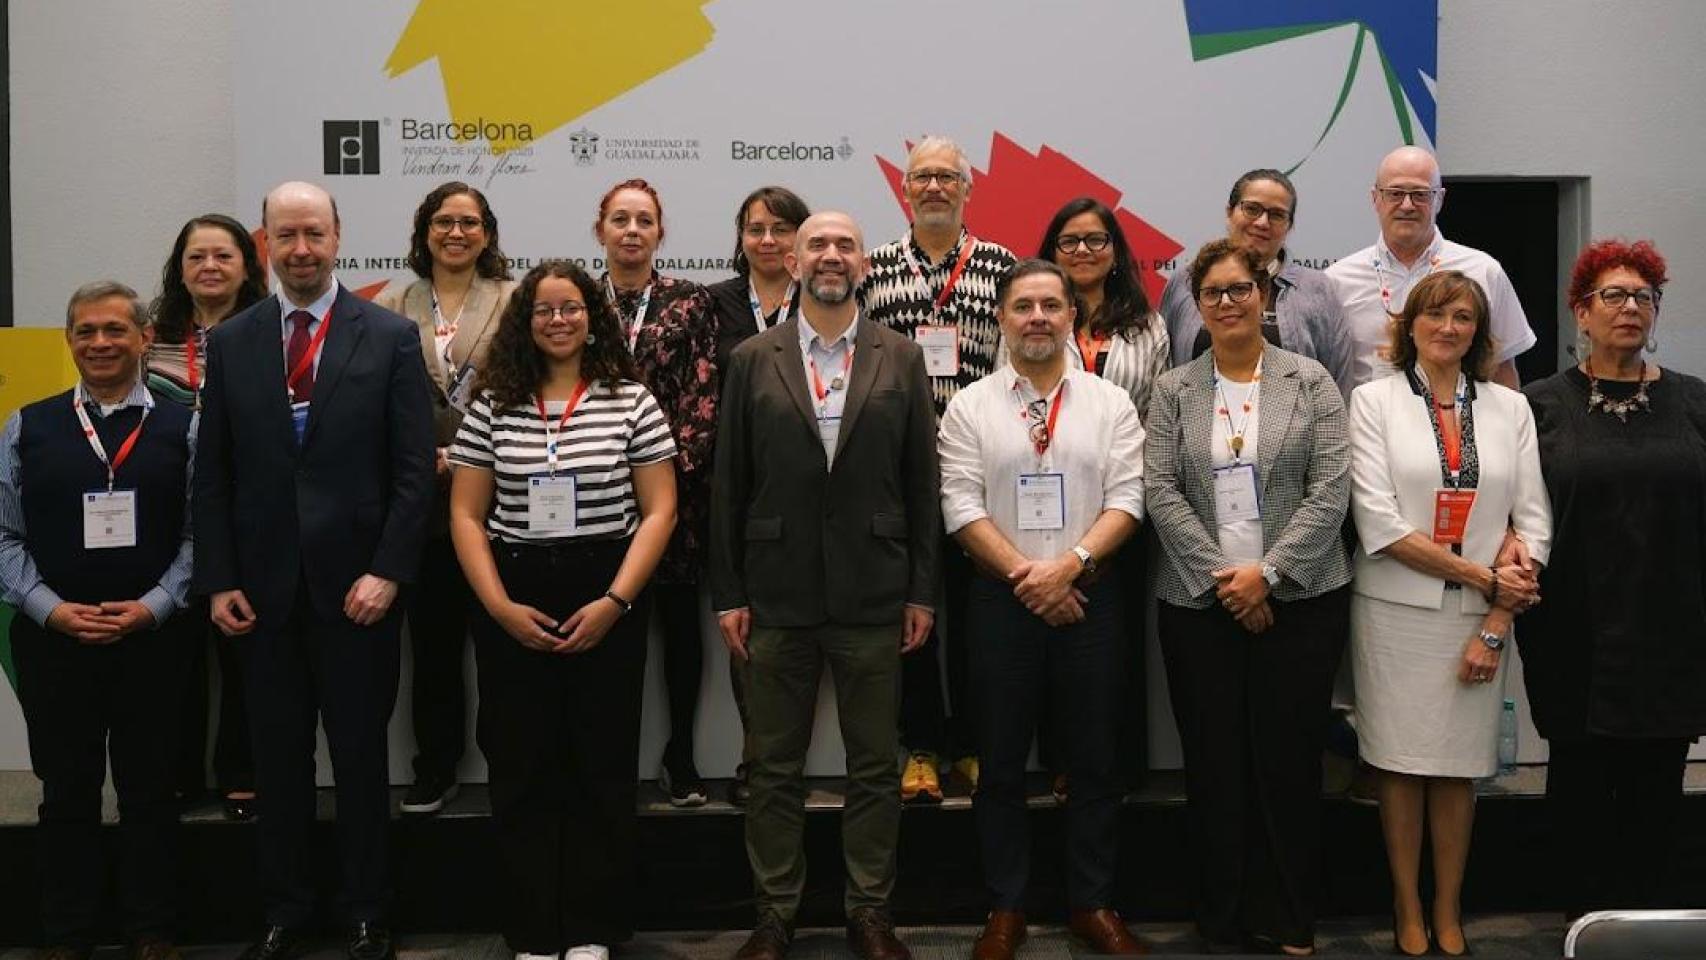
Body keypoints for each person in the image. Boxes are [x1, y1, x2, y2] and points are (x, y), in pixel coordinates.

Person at [193, 181, 435, 960]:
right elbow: (214, 476)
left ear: (339, 237)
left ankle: (369, 910)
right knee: (278, 762)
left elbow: (412, 473)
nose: (301, 249)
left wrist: (390, 572)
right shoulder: (232, 344)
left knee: (362, 760)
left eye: (314, 234)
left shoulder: (391, 336)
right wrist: (220, 578)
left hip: (359, 592)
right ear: (265, 243)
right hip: (260, 597)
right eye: (285, 235)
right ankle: (286, 909)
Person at [711, 211, 939, 960]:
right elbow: (728, 485)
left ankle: (869, 912)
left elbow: (920, 484)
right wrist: (730, 593)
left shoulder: (901, 358)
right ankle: (774, 916)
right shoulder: (752, 357)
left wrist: (922, 591)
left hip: (876, 592)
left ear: (865, 263)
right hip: (776, 593)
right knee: (772, 767)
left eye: (845, 244)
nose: (831, 255)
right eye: (818, 244)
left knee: (875, 764)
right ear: (794, 260)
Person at [448, 260, 678, 960]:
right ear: (525, 321)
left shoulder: (630, 400)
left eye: (571, 308)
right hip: (513, 589)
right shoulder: (492, 403)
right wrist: (498, 606)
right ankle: (534, 930)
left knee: (600, 764)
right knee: (521, 767)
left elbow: (661, 509)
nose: (558, 320)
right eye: (544, 310)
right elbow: (464, 513)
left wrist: (616, 601)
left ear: (592, 316)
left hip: (606, 586)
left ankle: (591, 929)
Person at [1145, 239, 1352, 956]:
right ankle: (1221, 915)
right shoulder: (1174, 390)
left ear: (1264, 296)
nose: (1228, 303)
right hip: (1199, 605)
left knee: (1288, 762)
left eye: (1241, 290)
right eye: (1214, 294)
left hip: (1302, 601)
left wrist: (1269, 573)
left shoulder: (1313, 382)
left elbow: (1332, 489)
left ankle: (1290, 914)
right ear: (1196, 305)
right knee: (1214, 762)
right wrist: (1227, 580)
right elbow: (1160, 491)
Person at [938, 260, 1147, 959]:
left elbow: (1128, 500)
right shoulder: (970, 405)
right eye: (1022, 305)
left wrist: (1068, 569)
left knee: (1093, 759)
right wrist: (1029, 577)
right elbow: (959, 505)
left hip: (1090, 596)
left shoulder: (1109, 403)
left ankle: (1092, 902)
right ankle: (1006, 908)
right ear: (1000, 317)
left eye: (1050, 306)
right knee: (998, 763)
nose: (1036, 317)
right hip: (1000, 600)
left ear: (1071, 318)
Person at [1346, 271, 1551, 956]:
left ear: (1478, 331)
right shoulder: (1371, 402)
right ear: (1410, 325)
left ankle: (1448, 906)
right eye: (1435, 315)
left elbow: (1534, 521)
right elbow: (1376, 520)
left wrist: (1496, 614)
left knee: (1458, 768)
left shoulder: (1507, 408)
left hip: (1481, 617)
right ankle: (1406, 904)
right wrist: (1483, 573)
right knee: (1401, 765)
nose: (1449, 328)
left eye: (1463, 317)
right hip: (1395, 610)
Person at [1, 282, 198, 960]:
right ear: (69, 340)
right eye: (85, 331)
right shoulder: (26, 426)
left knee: (149, 791)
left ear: (146, 338)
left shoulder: (186, 426)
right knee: (66, 793)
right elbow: (4, 537)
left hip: (154, 641)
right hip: (57, 643)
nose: (101, 343)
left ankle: (153, 929)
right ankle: (68, 933)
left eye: (116, 329)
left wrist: (156, 606)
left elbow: (202, 537)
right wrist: (49, 610)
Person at [1518, 239, 1706, 919]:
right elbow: (1515, 513)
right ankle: (1584, 929)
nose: (1630, 308)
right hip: (1575, 633)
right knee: (1580, 795)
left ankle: (1648, 928)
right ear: (1581, 313)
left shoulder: (1693, 402)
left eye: (1643, 296)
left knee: (1658, 796)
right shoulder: (1538, 406)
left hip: (1674, 633)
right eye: (1613, 296)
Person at [860, 135, 1016, 800]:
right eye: (921, 176)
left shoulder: (1003, 267)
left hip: (981, 468)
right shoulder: (873, 269)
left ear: (967, 187)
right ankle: (920, 747)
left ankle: (974, 745)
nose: (933, 187)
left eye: (946, 177)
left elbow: (1015, 365)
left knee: (979, 616)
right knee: (911, 616)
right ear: (904, 187)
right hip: (902, 471)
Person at [373, 181, 516, 817]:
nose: (455, 233)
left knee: (500, 641)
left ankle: (509, 764)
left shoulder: (515, 302)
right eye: (443, 222)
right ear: (424, 231)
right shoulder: (389, 303)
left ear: (487, 234)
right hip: (417, 501)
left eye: (469, 222)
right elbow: (369, 401)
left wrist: (470, 455)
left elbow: (527, 388)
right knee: (430, 648)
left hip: (500, 497)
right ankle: (435, 765)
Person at [1036, 196, 1169, 795]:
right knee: (1056, 637)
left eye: (1096, 240)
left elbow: (1160, 413)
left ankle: (1121, 766)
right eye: (1070, 241)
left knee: (1118, 644)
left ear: (1115, 251)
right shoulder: (1034, 315)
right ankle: (1063, 762)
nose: (1083, 251)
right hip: (1047, 501)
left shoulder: (1148, 324)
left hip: (1125, 504)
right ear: (1052, 251)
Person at [594, 177, 718, 807]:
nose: (632, 230)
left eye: (644, 220)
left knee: (679, 629)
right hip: (592, 497)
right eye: (620, 219)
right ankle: (607, 761)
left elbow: (702, 397)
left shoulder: (689, 302)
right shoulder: (577, 300)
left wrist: (667, 479)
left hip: (674, 495)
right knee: (612, 630)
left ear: (660, 233)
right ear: (601, 232)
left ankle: (682, 756)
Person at [145, 213, 267, 820]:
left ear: (246, 266)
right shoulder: (150, 335)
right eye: (197, 257)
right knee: (174, 652)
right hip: (163, 514)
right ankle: (178, 771)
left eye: (223, 256)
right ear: (180, 269)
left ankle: (241, 769)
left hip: (244, 512)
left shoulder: (271, 334)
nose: (210, 267)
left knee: (243, 647)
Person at [705, 185, 811, 805]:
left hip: (820, 488)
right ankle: (757, 766)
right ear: (740, 238)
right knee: (748, 630)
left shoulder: (827, 296)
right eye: (755, 229)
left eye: (780, 229)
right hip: (741, 487)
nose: (767, 241)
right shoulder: (713, 304)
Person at [1327, 147, 1536, 389]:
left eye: (1420, 194)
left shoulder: (1483, 272)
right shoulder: (1338, 280)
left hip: (1460, 423)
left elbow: (1502, 369)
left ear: (1440, 199)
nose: (1407, 205)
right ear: (1376, 199)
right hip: (1370, 424)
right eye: (1395, 193)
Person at [1158, 169, 1354, 398]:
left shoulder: (1318, 290)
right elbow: (1164, 370)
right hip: (1197, 429)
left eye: (1277, 215)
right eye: (1252, 209)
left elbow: (1337, 385)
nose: (1262, 222)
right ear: (1229, 212)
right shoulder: (1184, 281)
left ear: (1289, 226)